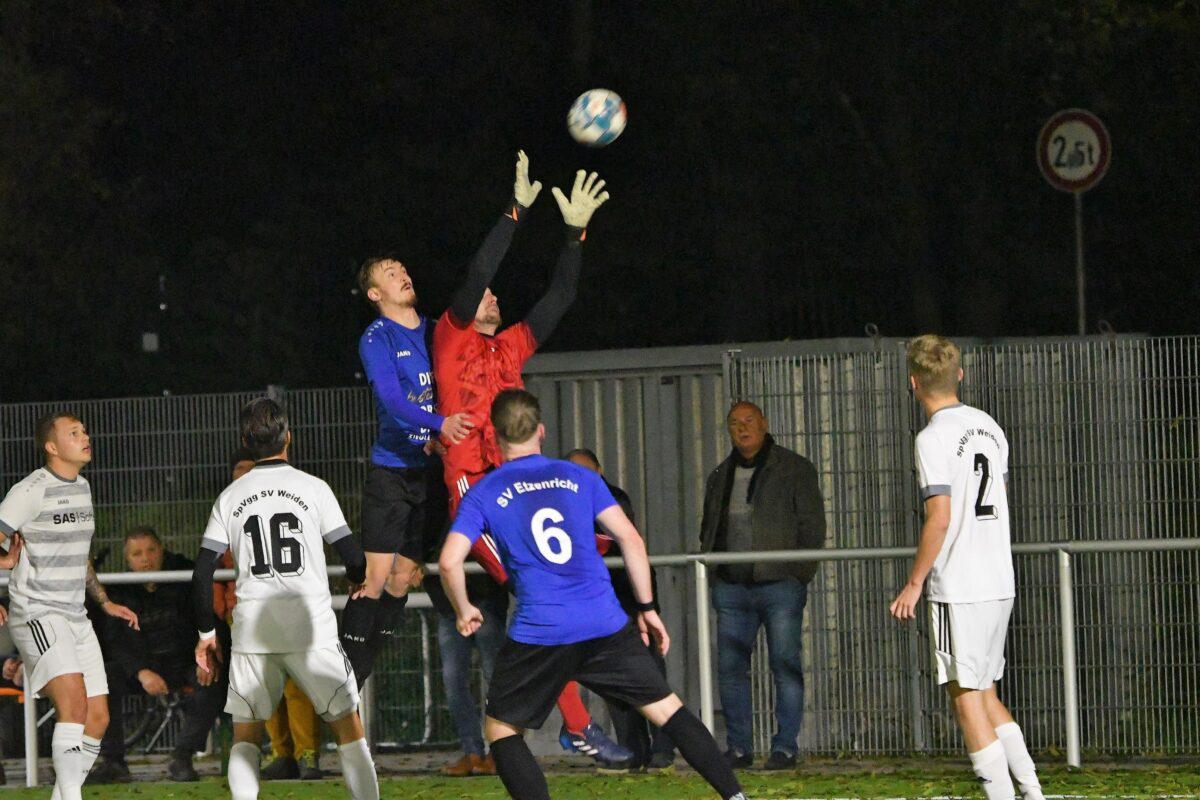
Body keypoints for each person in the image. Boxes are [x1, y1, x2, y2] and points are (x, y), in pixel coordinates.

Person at [438, 389, 748, 800]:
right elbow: (631, 540)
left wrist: (463, 609)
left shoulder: (485, 491)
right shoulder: (580, 476)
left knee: (501, 729)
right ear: (541, 431)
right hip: (603, 621)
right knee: (667, 709)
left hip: (541, 630)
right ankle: (737, 798)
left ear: (494, 437)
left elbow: (448, 561)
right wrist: (647, 608)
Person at [434, 155, 630, 767]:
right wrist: (514, 212)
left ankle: (571, 716)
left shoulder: (512, 343)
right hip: (475, 489)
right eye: (484, 294)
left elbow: (562, 295)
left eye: (493, 296)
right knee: (539, 591)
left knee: (548, 599)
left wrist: (573, 232)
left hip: (516, 488)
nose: (490, 296)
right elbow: (478, 270)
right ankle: (573, 724)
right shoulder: (451, 335)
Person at [191, 398, 378, 800]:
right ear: (288, 438)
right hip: (310, 626)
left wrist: (206, 632)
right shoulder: (314, 488)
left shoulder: (230, 497)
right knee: (348, 727)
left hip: (254, 629)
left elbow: (203, 570)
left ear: (245, 441)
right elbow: (354, 556)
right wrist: (356, 579)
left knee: (246, 733)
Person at [889, 335, 1044, 800]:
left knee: (966, 699)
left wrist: (915, 583)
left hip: (960, 585)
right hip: (999, 579)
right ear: (959, 374)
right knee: (986, 692)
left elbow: (941, 515)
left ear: (913, 383)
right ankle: (1032, 793)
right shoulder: (989, 426)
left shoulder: (931, 438)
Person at [340, 230, 475, 689]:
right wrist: (439, 426)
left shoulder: (438, 331)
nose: (403, 275)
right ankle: (344, 682)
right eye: (390, 274)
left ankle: (360, 669)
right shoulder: (378, 337)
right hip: (392, 473)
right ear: (374, 293)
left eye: (404, 270)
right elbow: (394, 401)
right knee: (375, 577)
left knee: (406, 575)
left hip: (433, 474)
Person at [0, 413, 140, 800]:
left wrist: (105, 601)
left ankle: (63, 795)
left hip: (75, 615)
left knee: (98, 718)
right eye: (73, 433)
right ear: (51, 446)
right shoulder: (30, 491)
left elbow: (81, 557)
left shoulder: (82, 487)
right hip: (38, 612)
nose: (85, 436)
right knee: (75, 705)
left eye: (84, 431)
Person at [699, 401, 826, 770]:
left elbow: (812, 526)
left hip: (780, 584)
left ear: (765, 424)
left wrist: (798, 573)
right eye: (735, 423)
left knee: (785, 663)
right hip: (732, 586)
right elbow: (709, 525)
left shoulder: (794, 469)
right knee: (730, 666)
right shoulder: (720, 474)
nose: (742, 429)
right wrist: (713, 569)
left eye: (749, 421)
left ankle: (784, 746)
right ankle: (739, 747)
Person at [564, 447, 677, 772]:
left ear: (599, 472)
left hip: (628, 602)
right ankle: (633, 750)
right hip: (597, 605)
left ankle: (663, 749)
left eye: (585, 472)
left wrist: (645, 606)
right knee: (615, 684)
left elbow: (620, 540)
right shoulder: (564, 502)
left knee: (650, 677)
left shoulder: (613, 499)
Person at [87, 526, 227, 784]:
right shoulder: (120, 589)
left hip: (186, 660)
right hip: (145, 668)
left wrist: (207, 652)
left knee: (215, 680)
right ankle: (113, 762)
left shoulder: (186, 575)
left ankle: (182, 757)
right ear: (127, 560)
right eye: (137, 554)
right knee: (102, 678)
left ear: (162, 549)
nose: (146, 558)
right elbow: (114, 637)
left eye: (151, 550)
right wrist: (141, 671)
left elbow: (209, 616)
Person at [224, 449, 324, 781]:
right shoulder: (229, 512)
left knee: (296, 684)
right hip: (248, 614)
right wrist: (224, 607)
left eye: (249, 472)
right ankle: (282, 753)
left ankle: (307, 753)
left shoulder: (285, 506)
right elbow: (221, 563)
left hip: (287, 609)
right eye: (238, 472)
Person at [424, 573, 507, 776]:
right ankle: (473, 753)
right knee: (453, 682)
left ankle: (501, 752)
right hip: (450, 605)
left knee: (496, 680)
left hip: (485, 599)